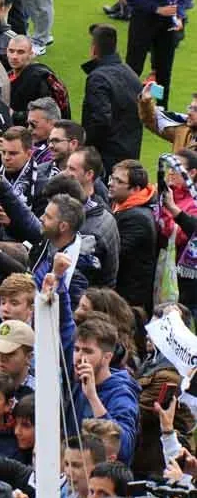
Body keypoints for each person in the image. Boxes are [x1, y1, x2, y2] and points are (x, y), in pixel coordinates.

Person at [66, 319, 140, 464]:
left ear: (107, 357)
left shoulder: (122, 394)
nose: (79, 357)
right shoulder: (78, 382)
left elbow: (124, 448)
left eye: (87, 351)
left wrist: (93, 398)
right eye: (76, 349)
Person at [80, 24, 142, 174]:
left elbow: (101, 120)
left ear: (94, 49)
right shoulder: (131, 74)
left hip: (106, 156)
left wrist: (85, 146)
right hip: (130, 151)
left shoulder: (98, 78)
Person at [108, 159, 158, 312]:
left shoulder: (137, 218)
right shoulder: (121, 205)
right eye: (112, 178)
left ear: (135, 189)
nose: (111, 184)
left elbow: (115, 253)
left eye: (119, 181)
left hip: (128, 301)